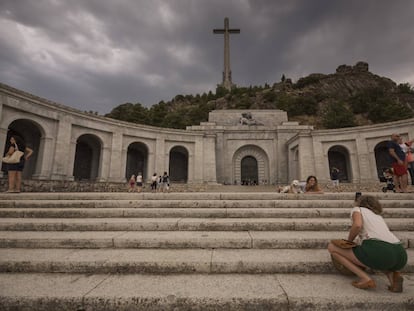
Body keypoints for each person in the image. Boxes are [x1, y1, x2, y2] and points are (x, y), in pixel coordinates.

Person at [328, 195, 407, 291]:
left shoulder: (358, 209)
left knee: (332, 248)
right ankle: (393, 278)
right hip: (400, 253)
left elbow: (357, 225)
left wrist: (349, 241)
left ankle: (365, 279)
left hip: (379, 249)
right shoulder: (378, 216)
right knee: (381, 258)